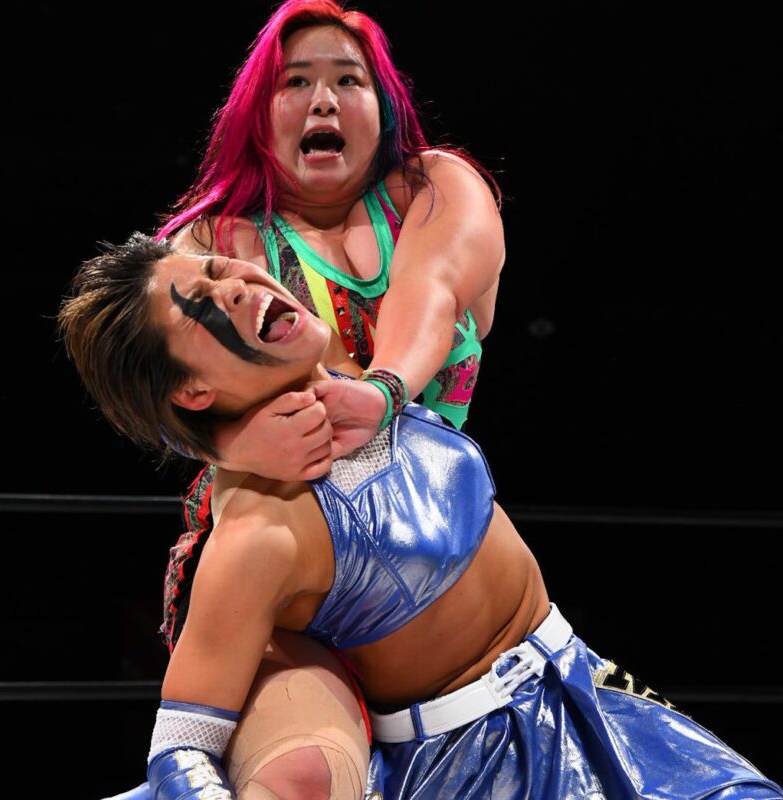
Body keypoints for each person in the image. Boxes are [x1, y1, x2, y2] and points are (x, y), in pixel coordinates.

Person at [59, 235, 783, 800]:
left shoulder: (344, 363)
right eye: (202, 302)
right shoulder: (260, 531)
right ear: (191, 390)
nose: (239, 283)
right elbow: (182, 742)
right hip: (477, 763)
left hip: (585, 684)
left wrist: (228, 436)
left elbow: (442, 277)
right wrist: (224, 449)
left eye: (221, 267)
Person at [155, 0, 505, 478]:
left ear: (384, 109)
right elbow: (152, 387)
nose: (324, 100)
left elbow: (431, 288)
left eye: (349, 80)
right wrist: (231, 447)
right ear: (258, 114)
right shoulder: (217, 247)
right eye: (296, 82)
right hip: (279, 514)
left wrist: (382, 392)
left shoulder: (434, 188)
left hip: (431, 511)